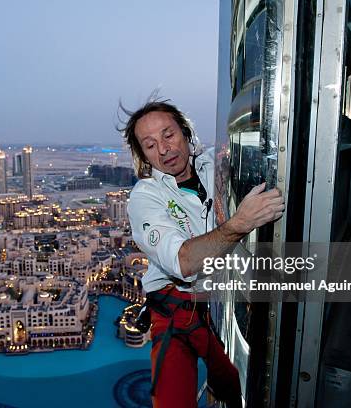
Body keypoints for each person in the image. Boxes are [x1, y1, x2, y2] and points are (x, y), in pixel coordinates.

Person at [120, 99, 284, 408]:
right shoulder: (145, 197)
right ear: (143, 156)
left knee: (232, 381)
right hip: (175, 310)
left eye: (169, 135)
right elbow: (183, 261)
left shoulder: (216, 164)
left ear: (185, 132)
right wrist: (242, 223)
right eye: (150, 145)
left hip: (220, 302)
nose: (165, 149)